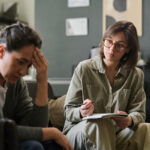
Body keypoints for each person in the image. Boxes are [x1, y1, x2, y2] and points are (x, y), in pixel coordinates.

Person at [63, 20, 146, 150]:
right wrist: (81, 112)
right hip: (80, 131)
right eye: (109, 41)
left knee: (145, 129)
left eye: (119, 45)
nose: (111, 49)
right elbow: (68, 111)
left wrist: (129, 120)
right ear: (103, 41)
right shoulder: (84, 68)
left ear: (128, 49)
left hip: (115, 133)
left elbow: (139, 112)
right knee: (100, 126)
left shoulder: (136, 75)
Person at [0, 23, 72, 150]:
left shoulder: (16, 84)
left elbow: (36, 127)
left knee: (52, 145)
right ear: (1, 52)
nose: (23, 72)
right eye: (21, 62)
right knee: (34, 146)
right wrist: (52, 132)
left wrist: (42, 81)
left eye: (28, 66)